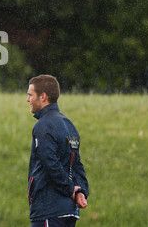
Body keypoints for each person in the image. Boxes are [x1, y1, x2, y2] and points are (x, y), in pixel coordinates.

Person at [26, 75, 89, 227]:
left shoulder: (43, 126)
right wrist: (80, 190)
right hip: (69, 211)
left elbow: (51, 164)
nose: (27, 100)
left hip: (49, 210)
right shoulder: (69, 125)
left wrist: (70, 189)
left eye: (30, 95)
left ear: (43, 97)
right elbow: (76, 164)